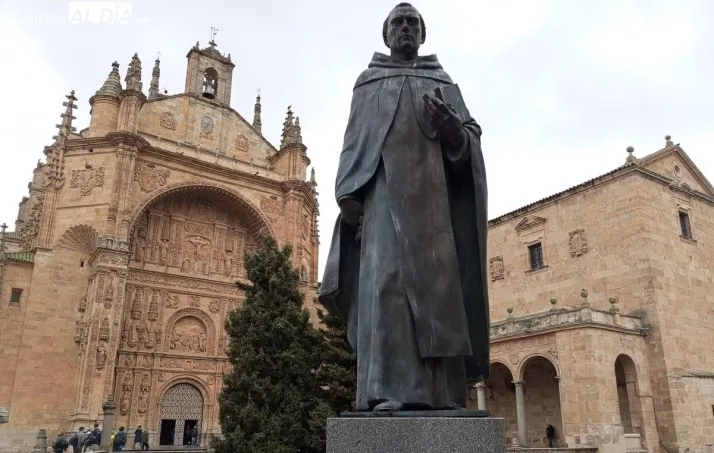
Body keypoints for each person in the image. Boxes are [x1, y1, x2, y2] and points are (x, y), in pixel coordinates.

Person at [319, 2, 490, 412]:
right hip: (382, 200)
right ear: (387, 34)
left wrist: (454, 132)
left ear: (423, 33)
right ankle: (386, 390)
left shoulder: (441, 80)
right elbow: (353, 143)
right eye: (398, 22)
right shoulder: (369, 82)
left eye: (413, 22)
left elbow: (471, 137)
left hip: (434, 204)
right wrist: (348, 196)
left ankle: (444, 395)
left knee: (440, 293)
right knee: (388, 287)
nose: (406, 27)